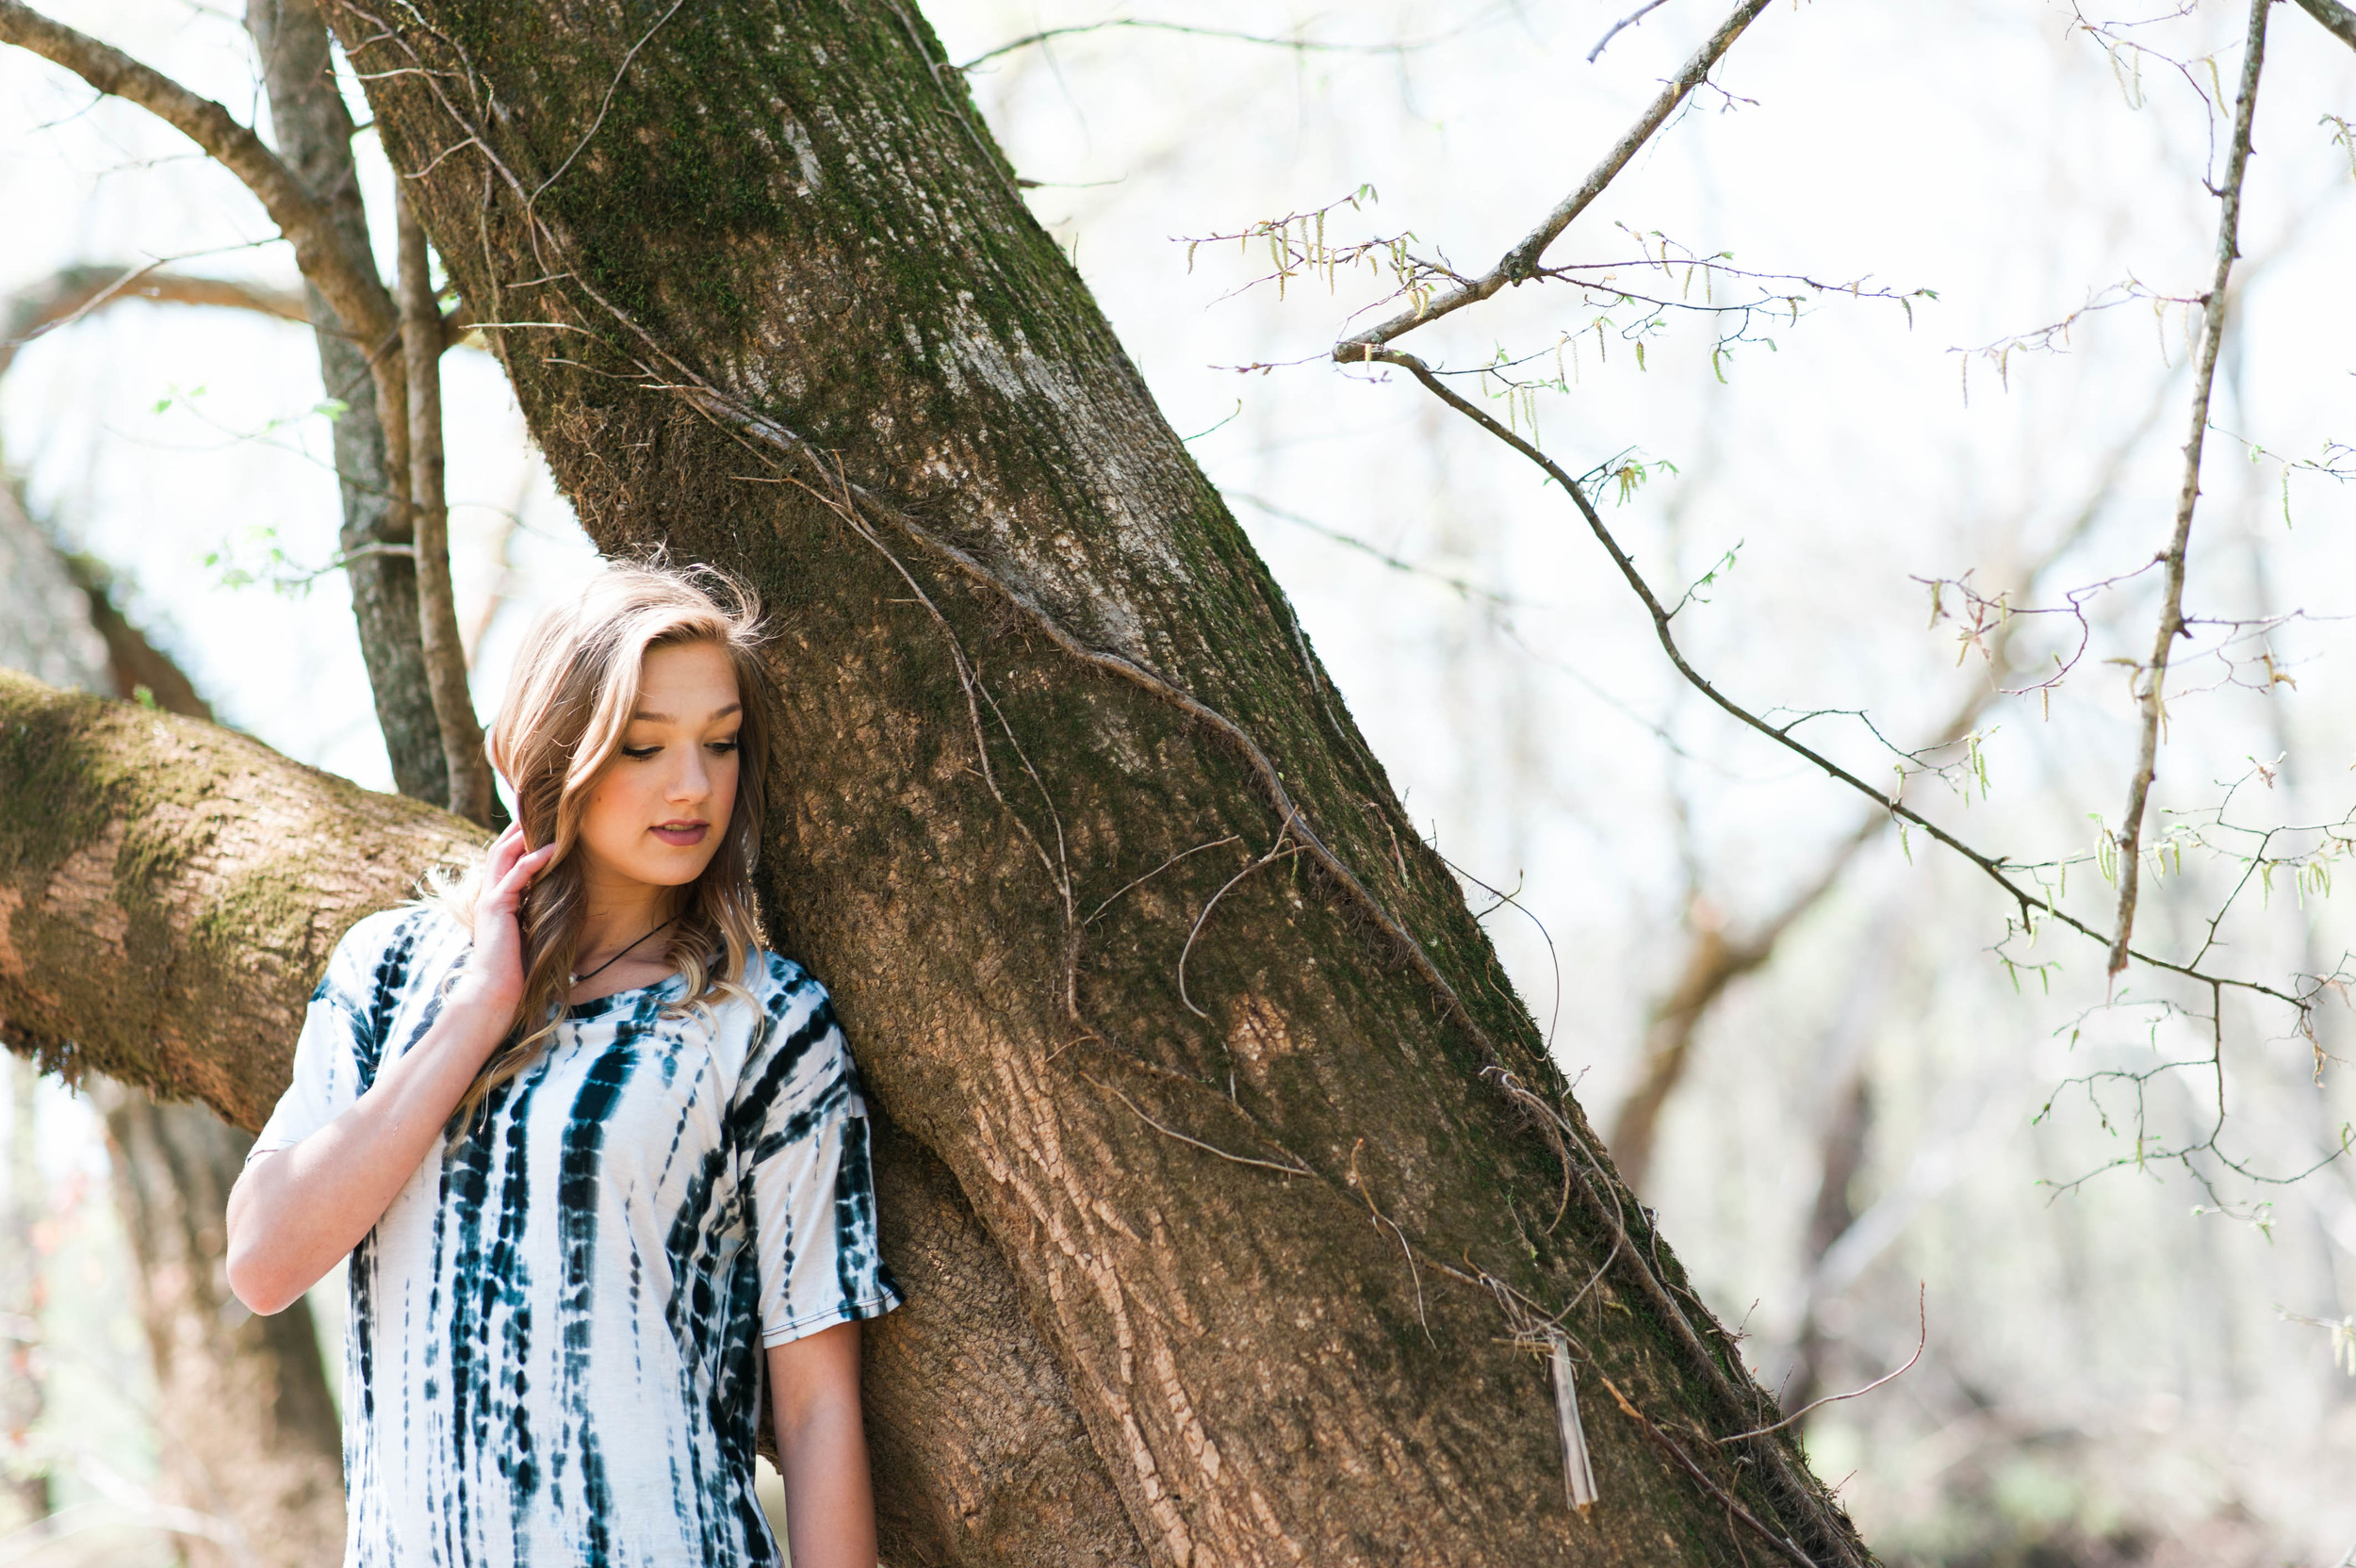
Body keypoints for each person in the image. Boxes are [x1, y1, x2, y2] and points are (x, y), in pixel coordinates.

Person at [225, 561, 901, 1568]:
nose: (693, 785)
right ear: (537, 751)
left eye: (720, 744)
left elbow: (814, 1409)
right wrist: (477, 1012)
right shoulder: (389, 972)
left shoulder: (767, 1025)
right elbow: (266, 1257)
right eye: (643, 745)